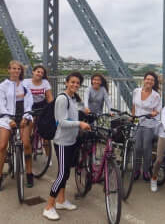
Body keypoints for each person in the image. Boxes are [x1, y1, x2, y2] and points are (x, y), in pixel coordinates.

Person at [42, 72, 91, 221]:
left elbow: (79, 109)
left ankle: (61, 201)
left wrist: (86, 110)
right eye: (72, 82)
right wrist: (80, 124)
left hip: (71, 140)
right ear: (66, 82)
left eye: (78, 83)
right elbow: (62, 122)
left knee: (67, 173)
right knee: (62, 174)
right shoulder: (62, 99)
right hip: (62, 141)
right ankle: (49, 206)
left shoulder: (73, 98)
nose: (75, 85)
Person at [0, 60, 34, 191]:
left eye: (18, 69)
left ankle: (29, 173)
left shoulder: (25, 86)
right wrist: (8, 119)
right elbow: (1, 105)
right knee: (2, 145)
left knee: (26, 144)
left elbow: (29, 103)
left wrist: (26, 116)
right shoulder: (2, 86)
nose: (16, 71)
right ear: (9, 70)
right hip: (7, 117)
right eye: (14, 68)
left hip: (23, 117)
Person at [132, 71, 161, 181]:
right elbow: (134, 106)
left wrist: (154, 113)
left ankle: (145, 171)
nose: (149, 81)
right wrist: (132, 117)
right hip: (138, 122)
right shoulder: (136, 91)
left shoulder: (156, 95)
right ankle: (136, 170)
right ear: (144, 80)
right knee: (137, 147)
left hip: (149, 123)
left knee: (146, 148)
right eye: (148, 79)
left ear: (154, 83)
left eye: (152, 80)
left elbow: (157, 110)